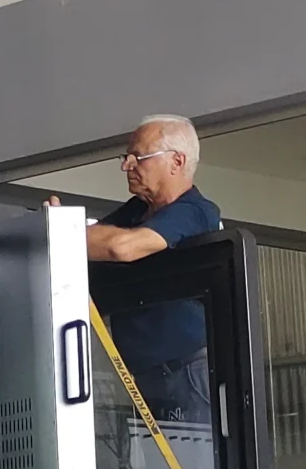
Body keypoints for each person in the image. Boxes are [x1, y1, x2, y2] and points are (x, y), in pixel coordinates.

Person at [86, 114, 221, 423]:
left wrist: (59, 232)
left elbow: (121, 248)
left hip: (186, 373)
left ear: (177, 161)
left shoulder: (195, 211)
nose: (127, 165)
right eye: (126, 157)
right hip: (141, 377)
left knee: (193, 455)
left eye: (139, 157)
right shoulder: (135, 212)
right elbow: (95, 246)